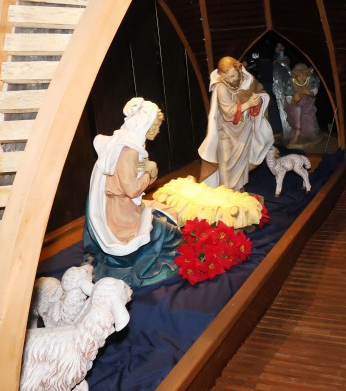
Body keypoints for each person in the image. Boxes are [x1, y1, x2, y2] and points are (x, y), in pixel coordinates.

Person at [83, 98, 183, 288]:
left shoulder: (125, 142)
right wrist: (150, 172)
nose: (158, 131)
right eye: (156, 126)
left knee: (165, 214)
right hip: (120, 215)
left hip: (122, 207)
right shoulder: (129, 151)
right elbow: (132, 190)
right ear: (145, 125)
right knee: (168, 231)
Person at [198, 56, 274, 191]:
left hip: (244, 130)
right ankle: (226, 191)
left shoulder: (249, 81)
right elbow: (229, 111)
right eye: (227, 78)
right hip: (227, 131)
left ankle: (237, 188)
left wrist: (257, 102)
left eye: (233, 76)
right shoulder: (221, 88)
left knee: (241, 161)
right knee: (226, 162)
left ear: (239, 69)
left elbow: (262, 93)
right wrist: (248, 103)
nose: (231, 80)